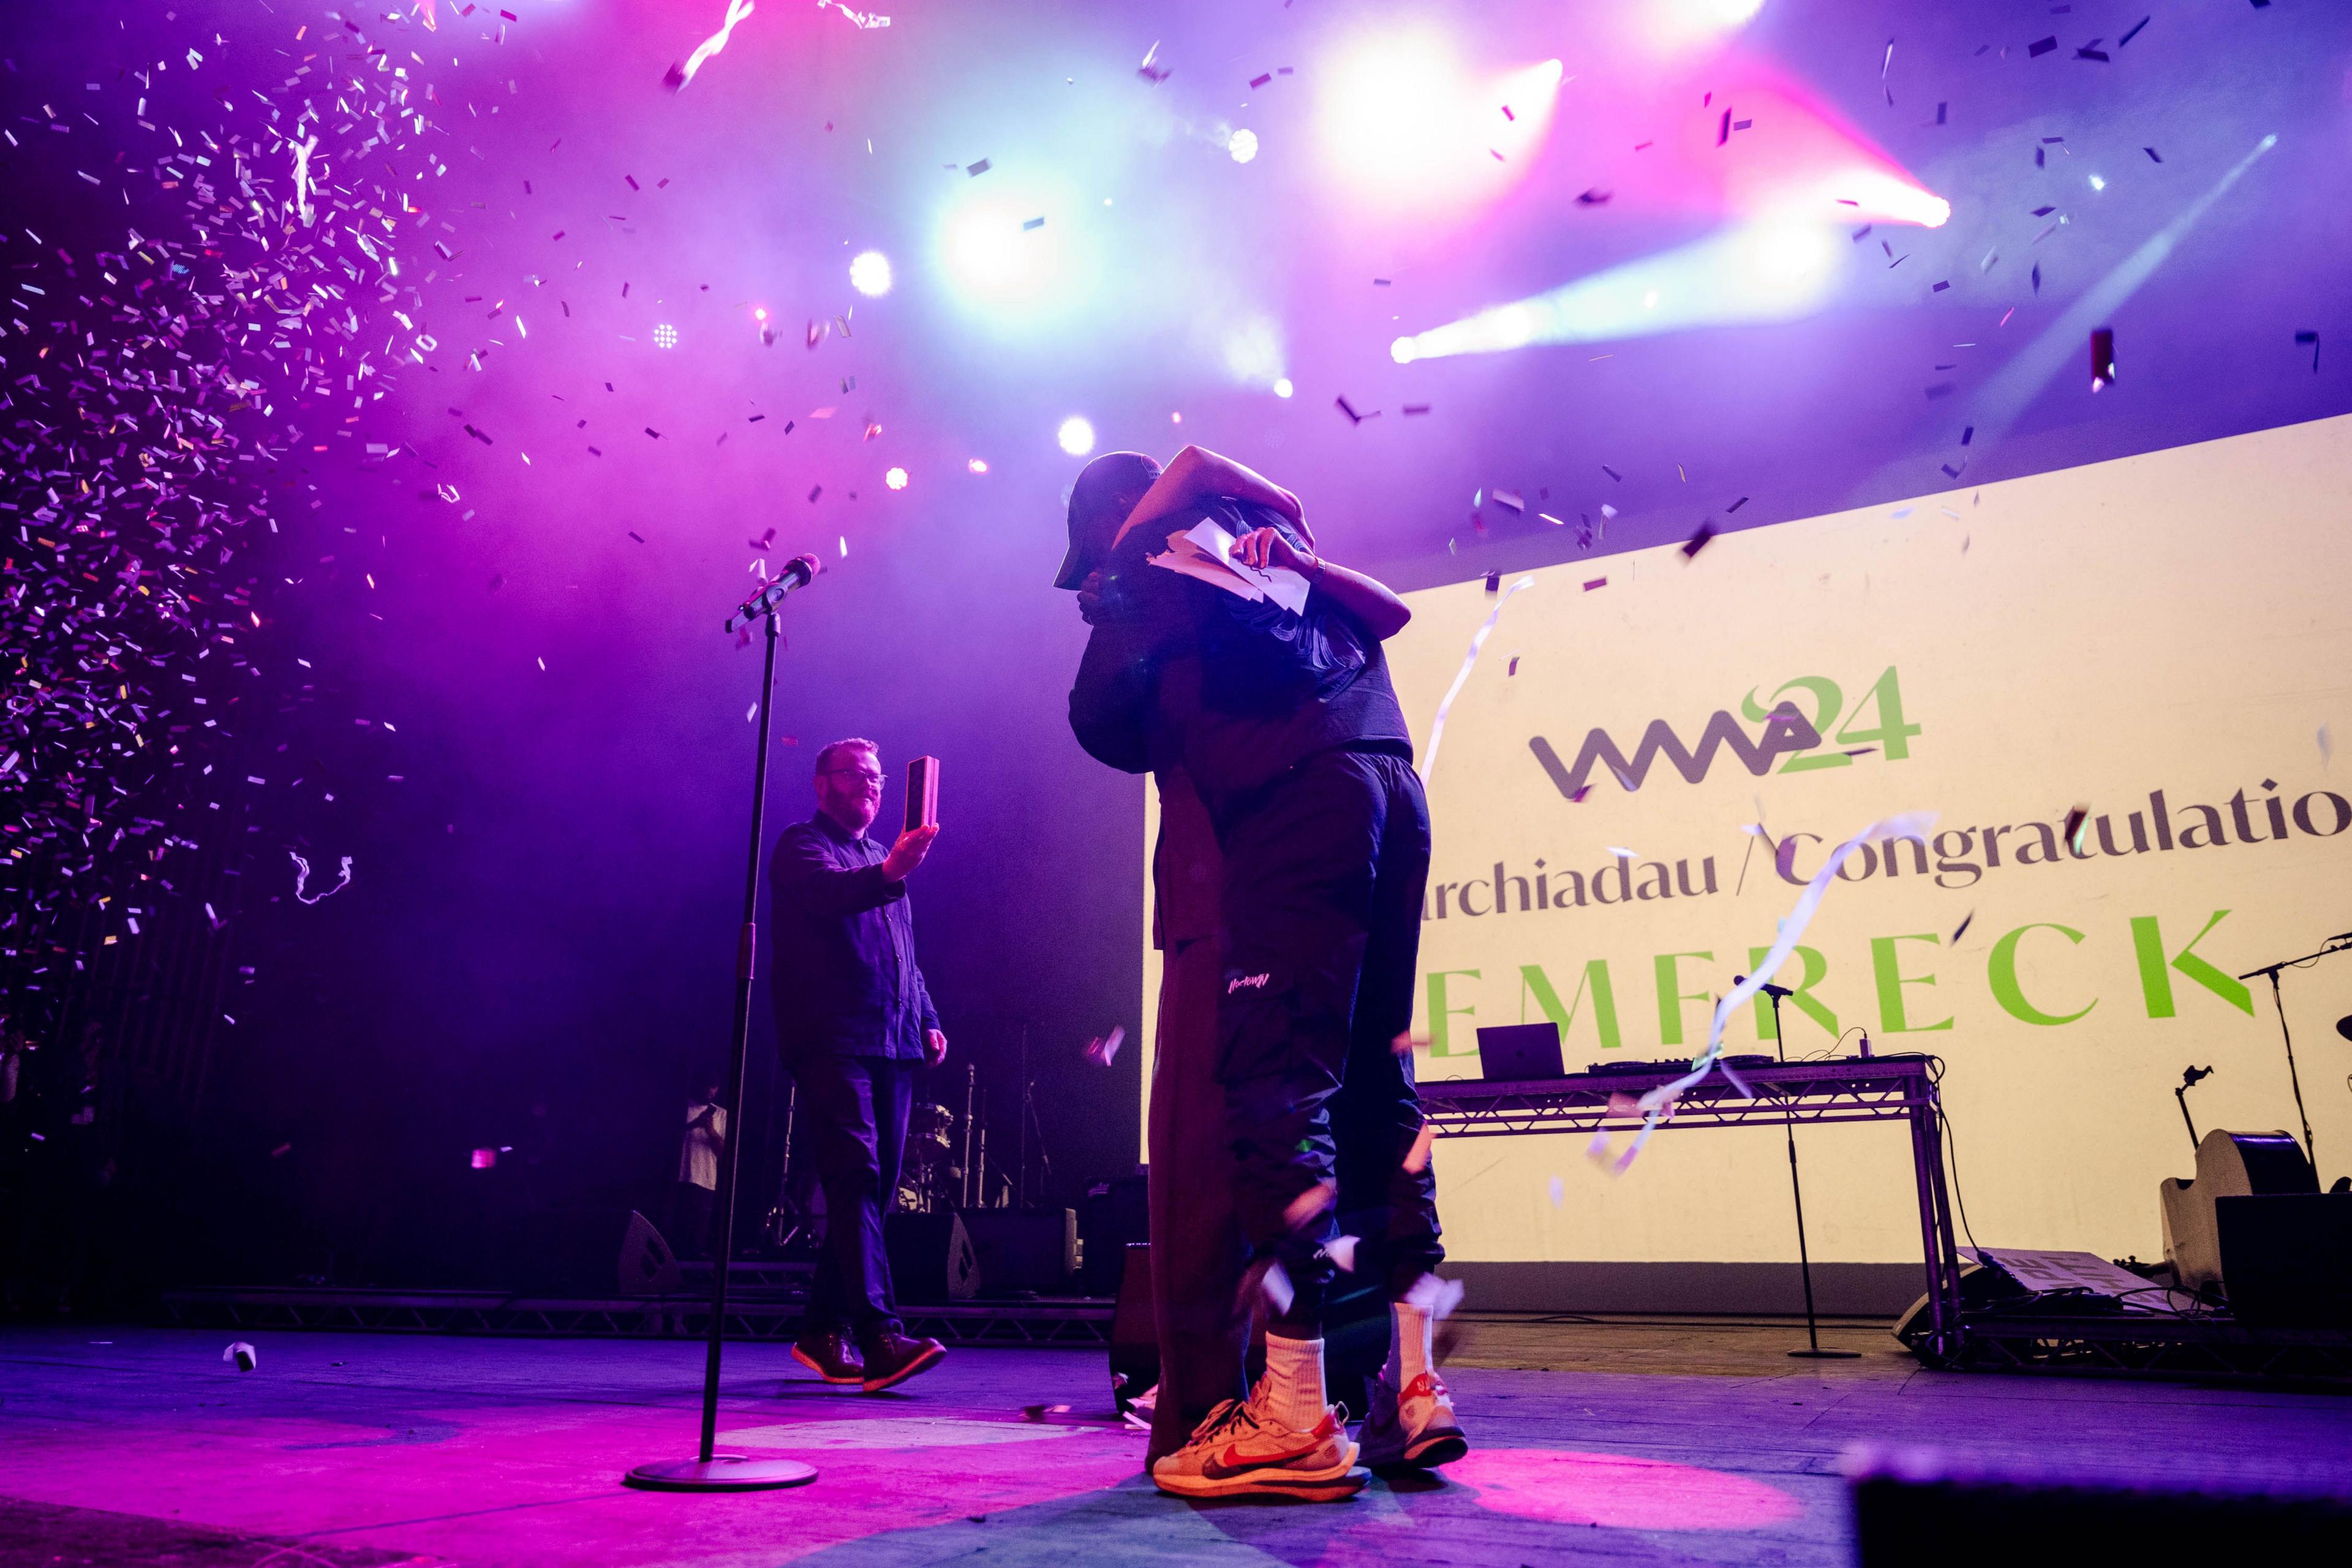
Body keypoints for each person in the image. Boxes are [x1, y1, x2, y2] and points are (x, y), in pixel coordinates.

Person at [1065, 446, 1464, 1501]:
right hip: (1393, 785)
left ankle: (1292, 1412)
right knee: (1384, 1094)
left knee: (1277, 1092)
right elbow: (1391, 614)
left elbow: (1097, 717)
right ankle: (1414, 1388)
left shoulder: (1167, 566)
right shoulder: (1294, 560)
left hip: (1301, 809)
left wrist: (1122, 575)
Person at [769, 737, 951, 1394]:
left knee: (872, 1189)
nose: (872, 785)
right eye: (857, 775)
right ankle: (879, 1335)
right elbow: (828, 895)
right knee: (856, 1174)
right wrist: (892, 871)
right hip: (832, 1039)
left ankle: (822, 1328)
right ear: (822, 785)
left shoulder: (882, 858)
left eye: (877, 776)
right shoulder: (801, 846)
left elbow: (906, 953)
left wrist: (927, 1015)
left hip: (892, 1040)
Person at [670, 1080, 725, 1261]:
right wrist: (694, 1125)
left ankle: (695, 1271)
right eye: (707, 1084)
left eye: (714, 1086)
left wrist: (710, 1130)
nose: (710, 1090)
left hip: (705, 1177)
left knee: (699, 1229)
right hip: (679, 1176)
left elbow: (723, 1152)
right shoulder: (681, 1108)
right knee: (676, 1226)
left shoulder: (721, 1114)